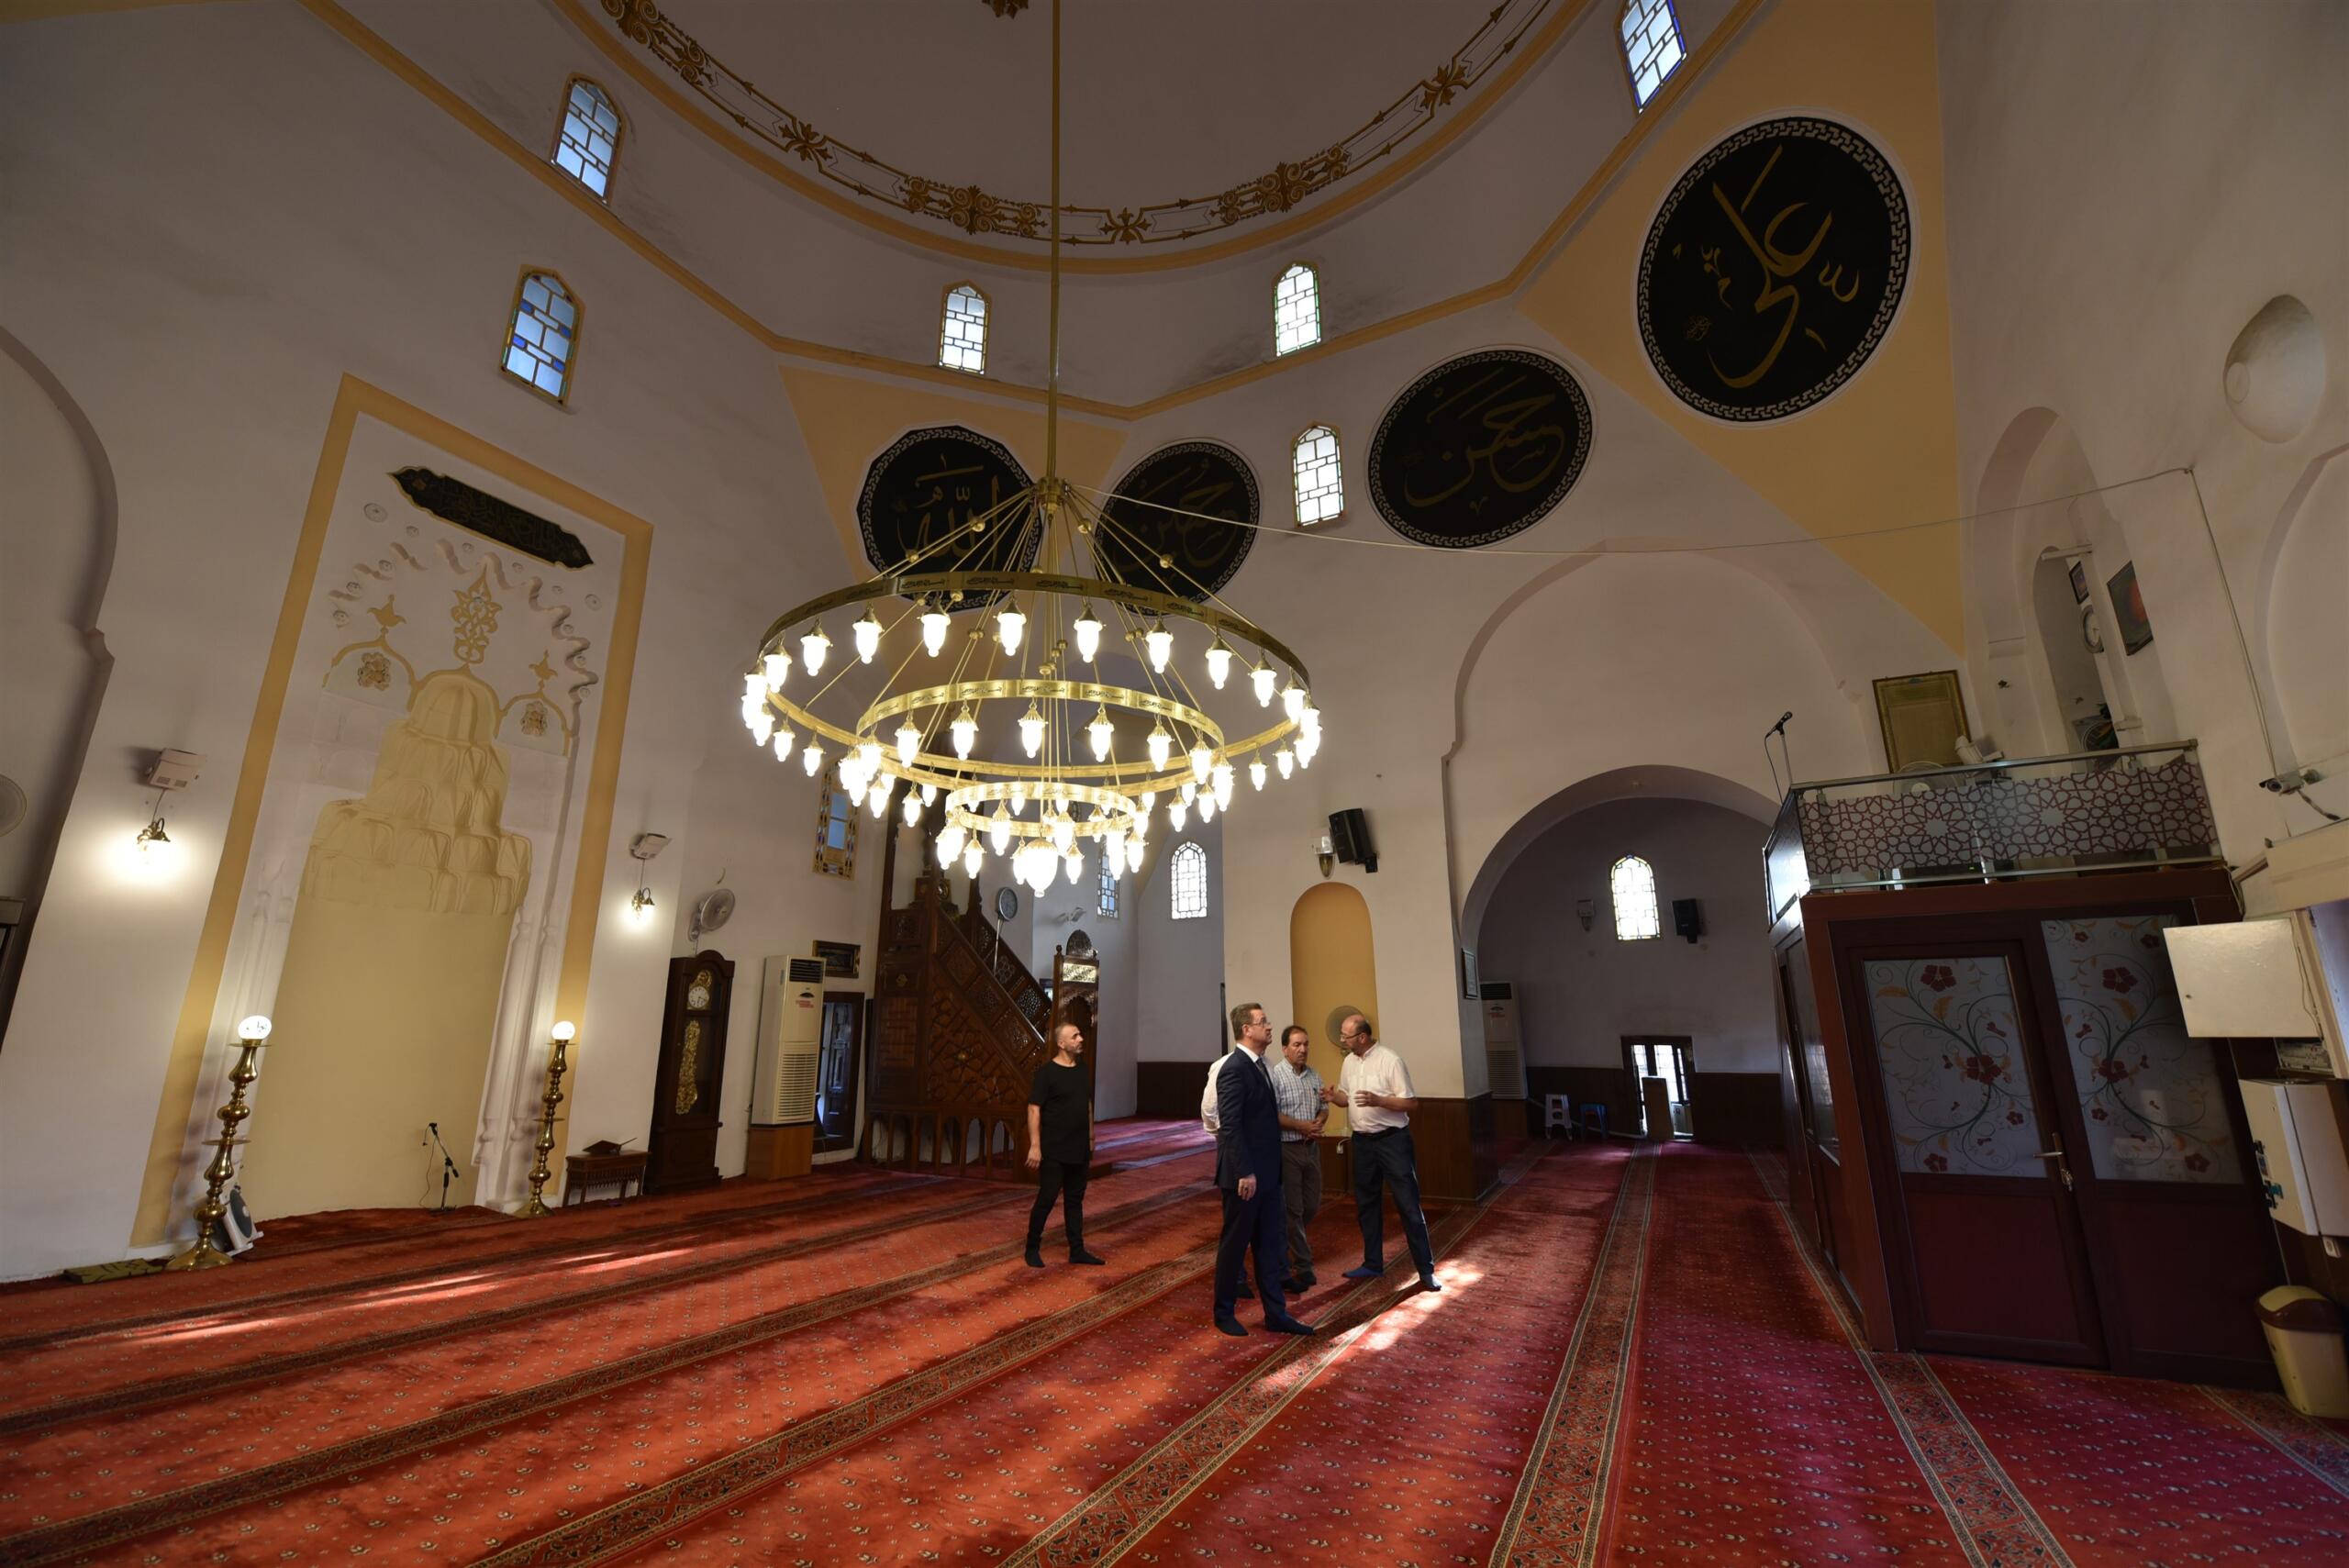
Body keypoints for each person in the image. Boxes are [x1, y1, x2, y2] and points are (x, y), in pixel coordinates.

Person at [1213, 1003, 1315, 1338]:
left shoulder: (1261, 1065)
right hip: (1244, 1178)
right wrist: (1245, 1171)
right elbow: (1230, 1125)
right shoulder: (1234, 1068)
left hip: (1268, 1177)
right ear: (1247, 1030)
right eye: (1263, 1022)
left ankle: (1276, 1314)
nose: (1269, 1026)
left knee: (1270, 1247)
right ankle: (1223, 1313)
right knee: (1234, 1247)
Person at [1323, 1011, 1440, 1292]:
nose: (1342, 1040)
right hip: (1362, 1143)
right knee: (1366, 1204)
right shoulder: (1349, 1062)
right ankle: (1372, 1263)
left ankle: (1426, 1271)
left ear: (1362, 1037)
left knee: (1408, 1205)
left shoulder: (1390, 1060)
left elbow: (1411, 1103)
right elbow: (1347, 1098)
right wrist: (1334, 1098)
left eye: (1346, 1036)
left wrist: (1380, 1100)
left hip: (1392, 1141)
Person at [1025, 1021, 1104, 1267]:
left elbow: (1087, 1105)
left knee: (1074, 1200)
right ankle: (1031, 1248)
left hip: (1079, 1148)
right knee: (1047, 1198)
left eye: (1079, 1035)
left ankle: (1077, 1250)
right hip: (1054, 1148)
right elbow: (1034, 1109)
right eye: (1075, 1036)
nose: (1081, 1039)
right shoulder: (1047, 1073)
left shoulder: (1082, 1070)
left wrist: (1091, 1138)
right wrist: (1035, 1145)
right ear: (1061, 1043)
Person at [1269, 1024, 1325, 1293]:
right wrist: (1300, 1126)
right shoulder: (1276, 1077)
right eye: (1296, 1045)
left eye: (1306, 1044)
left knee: (1311, 1205)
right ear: (1284, 1049)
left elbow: (1323, 1107)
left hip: (1311, 1149)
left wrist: (1319, 1121)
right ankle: (1304, 1265)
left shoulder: (1314, 1076)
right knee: (1294, 1211)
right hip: (1287, 1149)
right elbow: (1272, 1115)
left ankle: (1281, 1243)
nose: (1303, 1049)